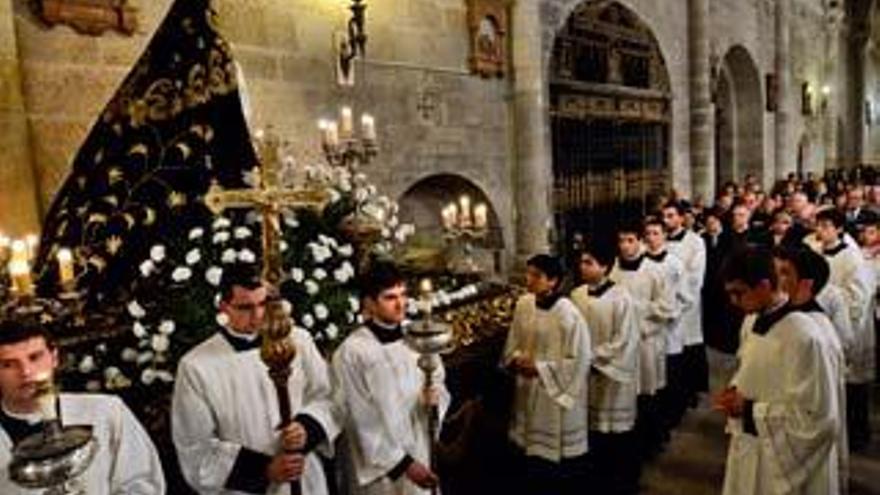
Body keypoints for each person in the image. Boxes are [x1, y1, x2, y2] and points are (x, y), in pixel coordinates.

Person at [172, 266, 340, 494]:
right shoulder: (197, 366)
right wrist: (265, 470)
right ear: (224, 307)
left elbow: (328, 397)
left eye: (263, 304)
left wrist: (307, 428)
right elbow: (195, 446)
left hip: (303, 476)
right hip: (246, 488)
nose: (258, 315)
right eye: (245, 307)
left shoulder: (297, 340)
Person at [716, 247, 840, 495]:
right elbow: (754, 367)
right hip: (752, 445)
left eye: (738, 293)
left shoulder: (804, 335)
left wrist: (749, 409)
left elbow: (818, 420)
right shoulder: (753, 321)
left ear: (763, 286)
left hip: (782, 463)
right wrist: (735, 390)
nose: (733, 301)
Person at [0, 317, 165, 494]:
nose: (26, 372)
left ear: (54, 357)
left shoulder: (106, 412)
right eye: (9, 364)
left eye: (35, 357)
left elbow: (143, 482)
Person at [332, 261, 449, 495]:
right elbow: (359, 418)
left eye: (403, 295)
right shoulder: (353, 352)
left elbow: (439, 383)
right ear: (369, 304)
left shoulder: (418, 338)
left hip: (420, 450)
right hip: (382, 471)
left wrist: (434, 401)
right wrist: (404, 464)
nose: (401, 304)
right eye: (390, 297)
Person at [503, 254, 591, 494]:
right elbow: (513, 341)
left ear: (553, 281)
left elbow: (579, 358)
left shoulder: (568, 314)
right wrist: (515, 359)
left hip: (551, 394)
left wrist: (540, 368)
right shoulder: (523, 304)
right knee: (528, 453)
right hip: (527, 387)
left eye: (537, 276)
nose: (529, 280)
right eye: (528, 273)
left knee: (551, 463)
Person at [772, 247, 849, 491]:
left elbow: (819, 414)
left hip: (803, 446)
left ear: (805, 284)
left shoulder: (815, 331)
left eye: (784, 273)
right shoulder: (780, 318)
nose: (777, 279)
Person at [570, 243, 639, 495]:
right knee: (592, 430)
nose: (583, 267)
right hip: (586, 372)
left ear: (605, 267)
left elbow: (625, 339)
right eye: (582, 262)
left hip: (612, 373)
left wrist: (594, 357)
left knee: (616, 434)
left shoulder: (621, 297)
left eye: (589, 262)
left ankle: (621, 482)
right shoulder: (576, 295)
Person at [610, 220, 675, 460]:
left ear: (640, 241)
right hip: (622, 343)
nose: (625, 246)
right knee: (628, 394)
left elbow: (668, 307)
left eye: (630, 241)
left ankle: (653, 440)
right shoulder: (614, 269)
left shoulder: (654, 270)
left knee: (648, 393)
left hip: (647, 340)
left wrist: (637, 310)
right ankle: (631, 443)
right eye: (621, 241)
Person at [813, 208, 876, 451]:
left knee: (853, 385)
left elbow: (859, 295)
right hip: (823, 324)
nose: (820, 230)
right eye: (818, 225)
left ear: (839, 229)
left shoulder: (851, 257)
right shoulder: (817, 253)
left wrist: (831, 300)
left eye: (826, 226)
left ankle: (858, 435)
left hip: (849, 327)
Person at [663, 201, 708, 407]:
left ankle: (691, 392)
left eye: (671, 215)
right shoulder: (658, 239)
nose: (666, 220)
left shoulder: (695, 242)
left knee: (688, 346)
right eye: (664, 216)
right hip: (664, 304)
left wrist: (679, 300)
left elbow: (694, 276)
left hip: (685, 303)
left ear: (681, 218)